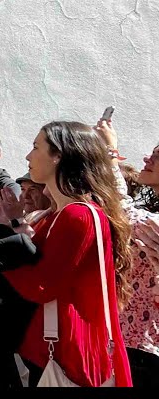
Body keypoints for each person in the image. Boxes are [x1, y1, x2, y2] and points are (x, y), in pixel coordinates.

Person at [0, 121, 133, 387]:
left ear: (58, 156)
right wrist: (2, 231)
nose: (28, 156)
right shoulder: (58, 214)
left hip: (66, 350)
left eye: (36, 147)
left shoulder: (78, 215)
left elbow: (41, 286)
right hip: (54, 345)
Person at [97, 124, 159, 387]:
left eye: (158, 156)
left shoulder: (152, 223)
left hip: (147, 347)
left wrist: (109, 152)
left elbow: (122, 212)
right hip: (130, 342)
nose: (148, 158)